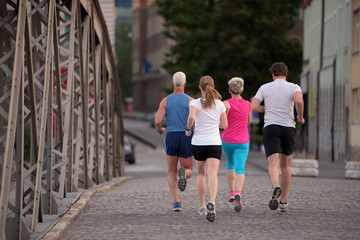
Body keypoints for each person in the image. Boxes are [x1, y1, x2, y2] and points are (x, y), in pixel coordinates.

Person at [251, 62, 305, 213]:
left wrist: (267, 108)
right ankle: (283, 201)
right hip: (288, 127)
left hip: (271, 127)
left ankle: (276, 186)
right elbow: (299, 101)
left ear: (273, 74)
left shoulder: (265, 87)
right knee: (285, 165)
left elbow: (253, 106)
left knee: (272, 163)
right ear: (285, 74)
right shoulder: (294, 87)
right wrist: (300, 117)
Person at [185, 76, 228, 222]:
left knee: (201, 174)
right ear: (213, 86)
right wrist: (216, 123)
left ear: (200, 87)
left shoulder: (195, 103)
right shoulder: (220, 104)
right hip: (214, 142)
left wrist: (188, 128)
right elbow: (225, 125)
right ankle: (213, 202)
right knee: (213, 174)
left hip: (198, 143)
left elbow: (191, 118)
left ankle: (202, 205)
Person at [155, 71, 194, 212]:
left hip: (171, 135)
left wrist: (160, 129)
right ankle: (184, 173)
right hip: (186, 136)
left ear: (172, 83)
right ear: (185, 83)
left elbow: (158, 120)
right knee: (188, 168)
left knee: (171, 170)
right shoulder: (191, 101)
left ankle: (177, 203)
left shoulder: (165, 101)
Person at [221, 77, 251, 212]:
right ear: (242, 89)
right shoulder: (248, 104)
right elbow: (248, 122)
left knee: (230, 164)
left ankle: (232, 192)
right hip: (242, 141)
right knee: (240, 169)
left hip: (227, 140)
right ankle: (238, 193)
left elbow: (224, 109)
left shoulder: (226, 103)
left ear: (229, 90)